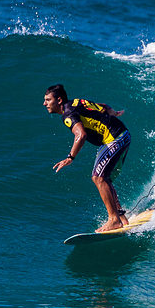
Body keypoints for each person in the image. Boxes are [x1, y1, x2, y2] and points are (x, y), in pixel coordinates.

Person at [43, 84, 131, 232]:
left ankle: (114, 220)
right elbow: (103, 106)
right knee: (105, 180)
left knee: (98, 178)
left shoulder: (68, 115)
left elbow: (81, 134)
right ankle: (121, 218)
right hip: (122, 134)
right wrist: (114, 113)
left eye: (48, 100)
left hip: (114, 138)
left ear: (59, 100)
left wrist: (70, 157)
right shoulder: (76, 102)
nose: (44, 103)